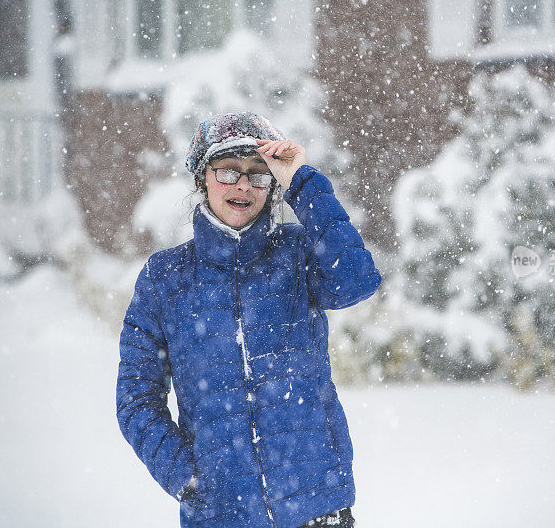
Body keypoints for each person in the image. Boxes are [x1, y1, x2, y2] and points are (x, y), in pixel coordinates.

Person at [116, 111, 381, 528]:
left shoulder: (297, 253)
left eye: (259, 175)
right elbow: (136, 400)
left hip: (316, 505)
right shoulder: (164, 279)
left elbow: (357, 281)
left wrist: (300, 179)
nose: (243, 185)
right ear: (203, 178)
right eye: (228, 171)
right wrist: (188, 476)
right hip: (222, 515)